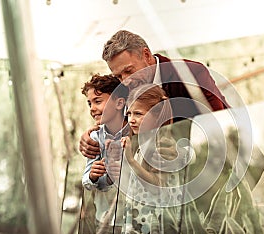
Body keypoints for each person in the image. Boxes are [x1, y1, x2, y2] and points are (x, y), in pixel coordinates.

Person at [79, 29, 230, 159]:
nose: (125, 81)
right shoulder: (124, 88)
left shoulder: (189, 73)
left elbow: (220, 120)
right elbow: (118, 124)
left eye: (129, 71)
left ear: (146, 55)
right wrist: (91, 135)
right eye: (119, 76)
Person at [111, 84, 183, 234]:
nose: (132, 120)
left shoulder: (163, 143)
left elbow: (159, 186)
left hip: (152, 229)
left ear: (158, 115)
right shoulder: (144, 143)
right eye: (129, 114)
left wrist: (131, 162)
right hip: (136, 225)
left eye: (138, 114)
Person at [80, 73, 129, 234]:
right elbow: (86, 181)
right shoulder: (95, 138)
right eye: (89, 103)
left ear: (119, 103)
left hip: (135, 223)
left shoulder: (136, 132)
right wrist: (93, 176)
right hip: (106, 223)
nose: (92, 109)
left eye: (97, 101)